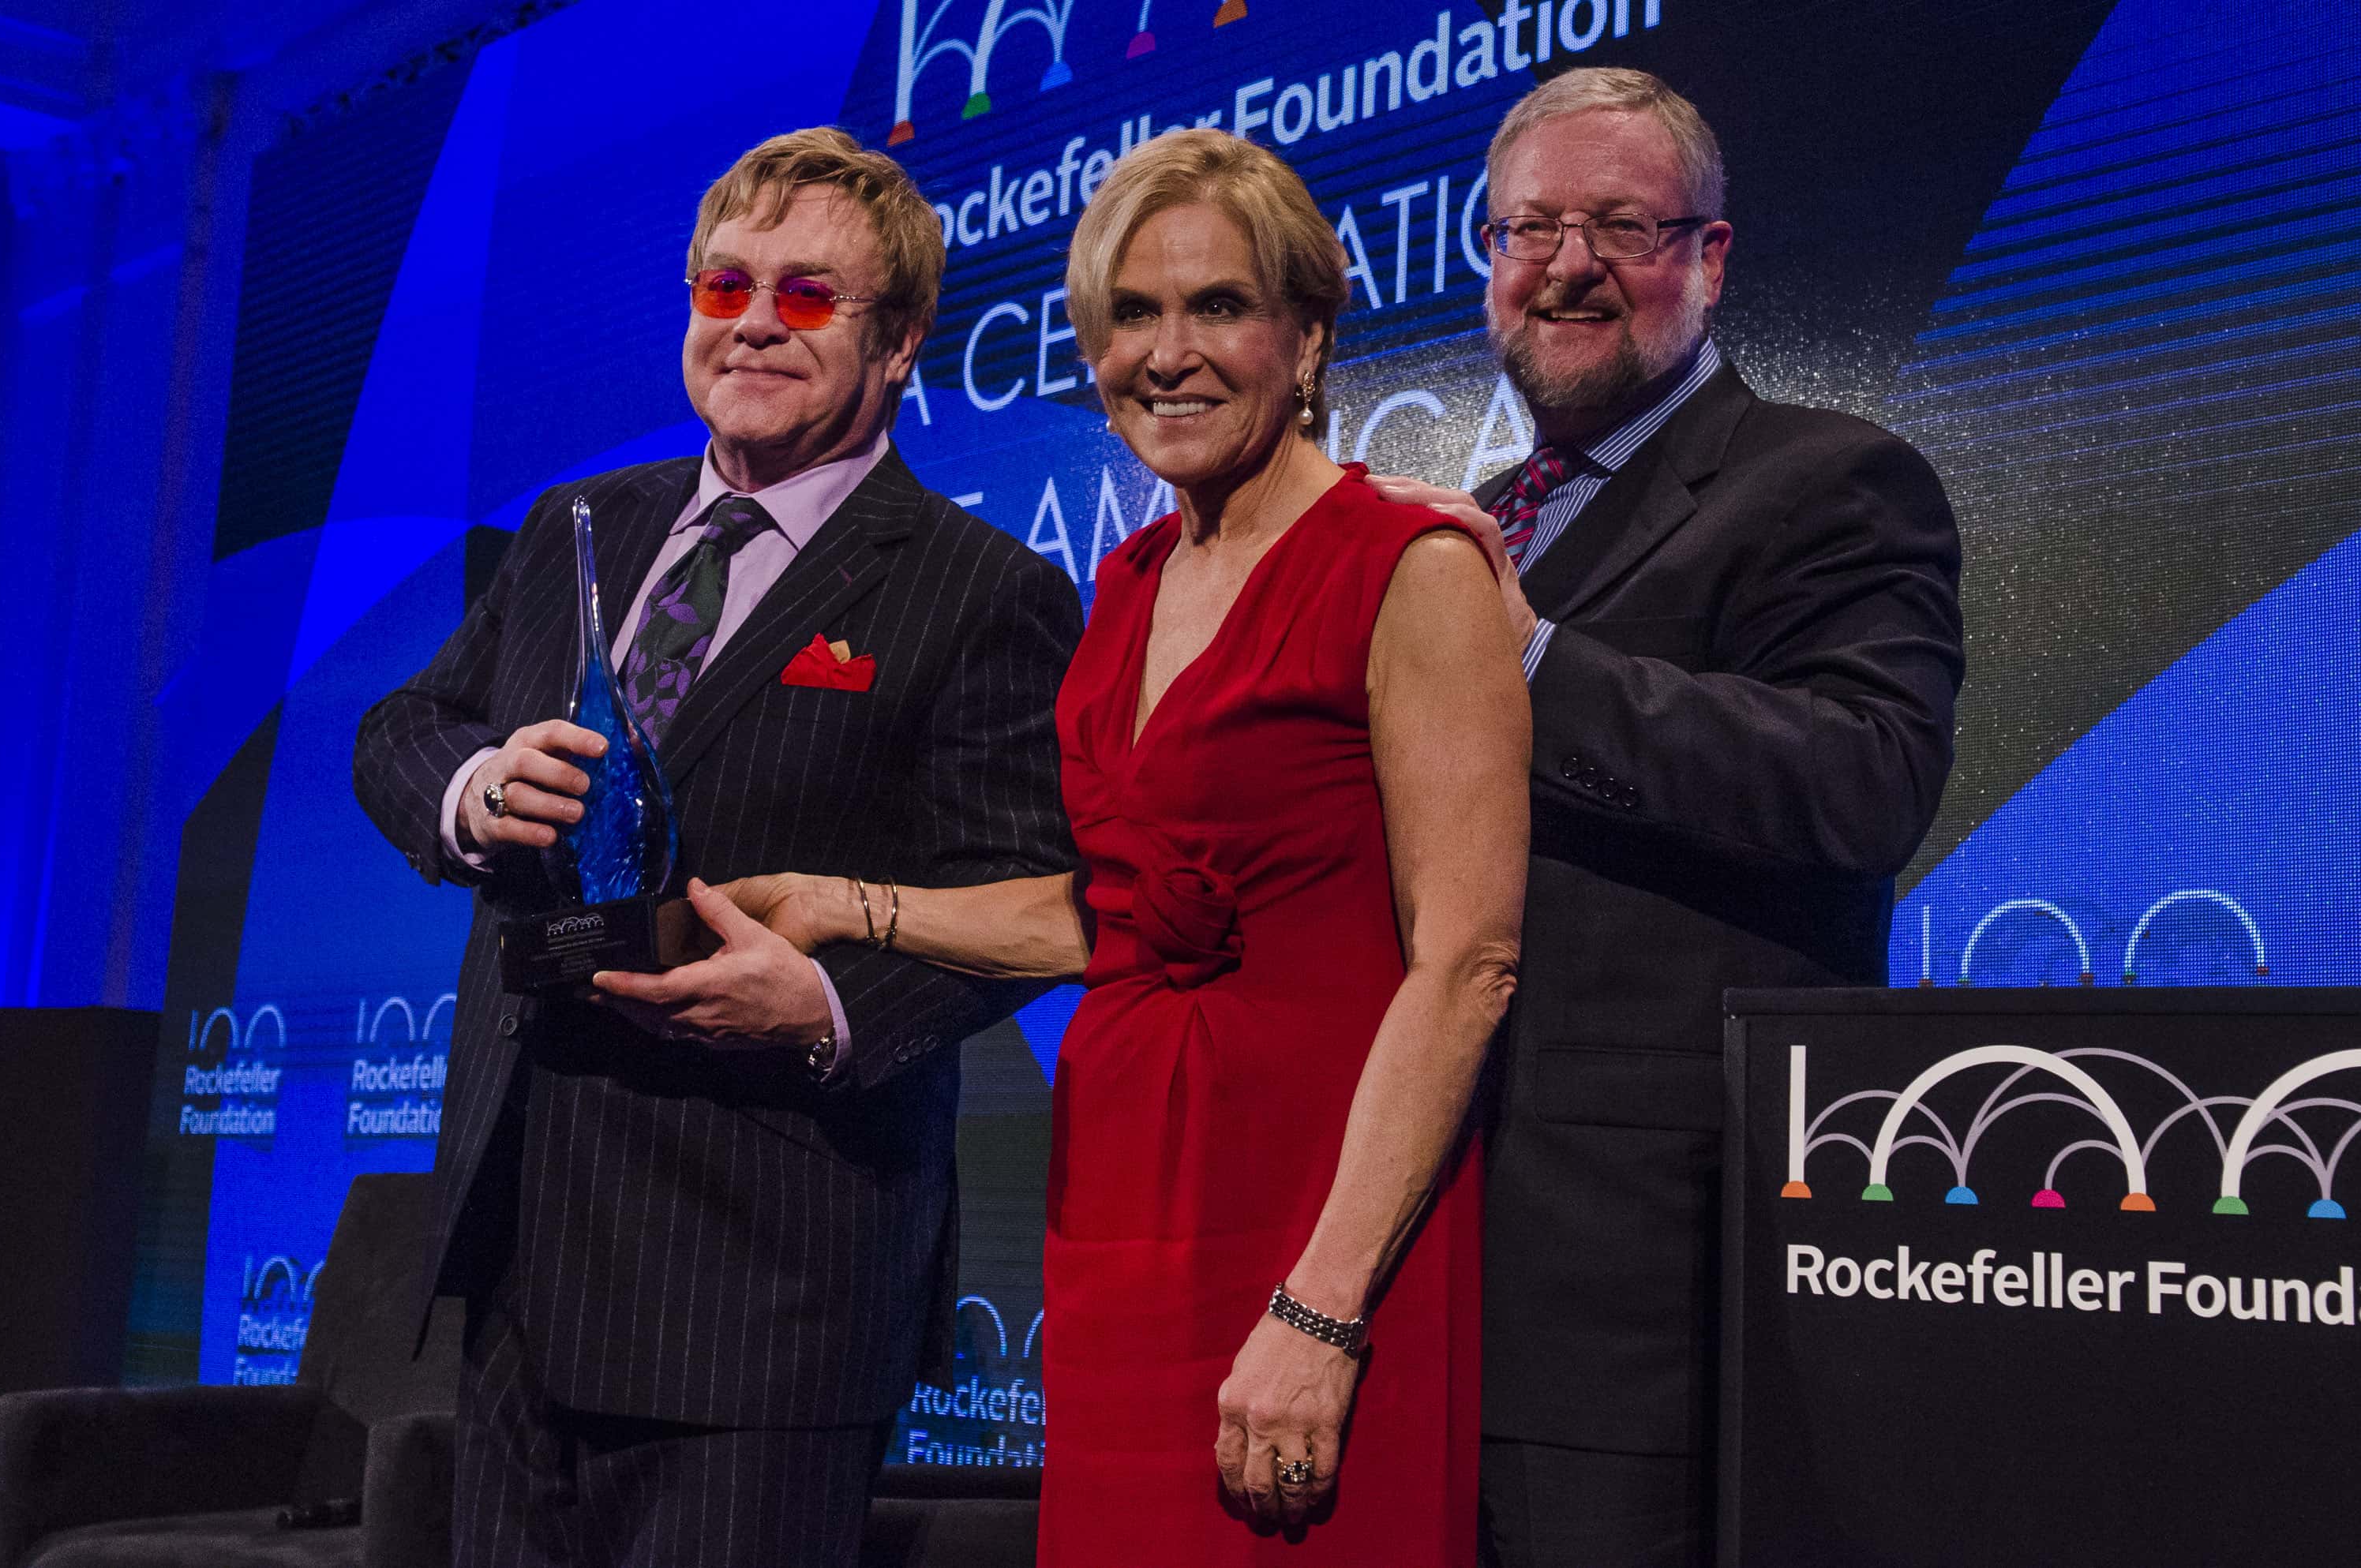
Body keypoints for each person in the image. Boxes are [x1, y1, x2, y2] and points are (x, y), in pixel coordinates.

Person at [706, 128, 1528, 1562]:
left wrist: (1321, 1309)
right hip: (1125, 1217)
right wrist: (845, 905)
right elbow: (1118, 917)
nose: (1169, 353)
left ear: (1310, 334)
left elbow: (1468, 963)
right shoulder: (1131, 584)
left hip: (1315, 1221)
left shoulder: (1415, 568)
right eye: (1130, 315)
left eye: (1218, 307)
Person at [351, 128, 1080, 1567]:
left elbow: (1026, 895)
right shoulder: (583, 522)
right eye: (724, 282)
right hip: (519, 1250)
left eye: (808, 297)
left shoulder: (979, 588)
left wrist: (822, 1007)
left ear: (899, 342)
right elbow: (401, 727)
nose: (751, 321)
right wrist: (477, 787)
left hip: (765, 1279)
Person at [1370, 68, 1966, 1568]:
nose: (1566, 264)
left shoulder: (1832, 481)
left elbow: (1865, 780)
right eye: (1530, 227)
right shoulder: (1469, 519)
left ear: (1709, 257)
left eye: (1620, 225)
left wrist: (1529, 661)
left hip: (1636, 1278)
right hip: (1403, 1243)